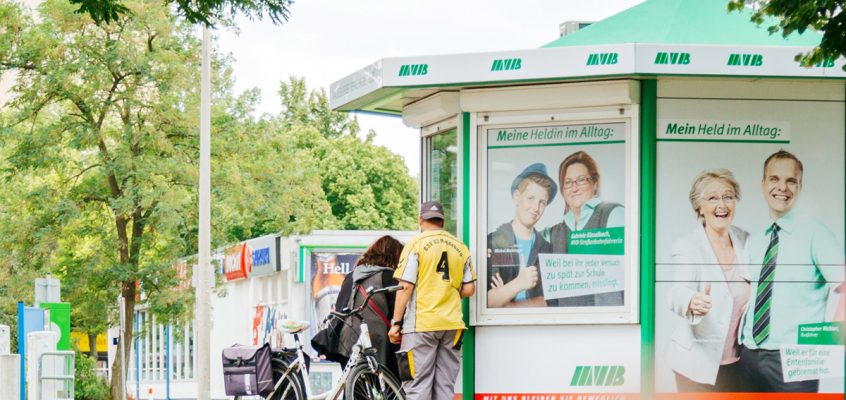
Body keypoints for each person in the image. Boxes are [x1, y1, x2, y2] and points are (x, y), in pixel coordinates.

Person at [738, 150, 845, 392]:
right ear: (763, 184)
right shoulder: (756, 239)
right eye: (774, 179)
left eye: (791, 181)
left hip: (795, 358)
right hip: (750, 356)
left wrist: (832, 341)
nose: (782, 187)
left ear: (800, 187)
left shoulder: (817, 233)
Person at [665, 169, 751, 392]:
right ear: (699, 208)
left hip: (738, 362)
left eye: (728, 196)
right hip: (696, 364)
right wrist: (691, 300)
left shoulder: (745, 240)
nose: (721, 205)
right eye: (712, 198)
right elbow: (676, 292)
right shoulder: (687, 246)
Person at [388, 201, 476, 400]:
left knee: (417, 387)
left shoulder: (415, 244)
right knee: (445, 387)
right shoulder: (461, 247)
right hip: (452, 326)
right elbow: (470, 289)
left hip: (421, 325)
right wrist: (448, 294)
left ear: (421, 220)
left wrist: (396, 323)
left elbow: (406, 286)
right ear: (442, 221)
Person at [543, 150, 625, 306]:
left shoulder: (613, 214)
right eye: (568, 182)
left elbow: (630, 272)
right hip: (565, 324)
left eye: (581, 180)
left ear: (594, 184)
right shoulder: (554, 232)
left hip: (608, 324)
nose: (574, 188)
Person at [329, 235, 404, 377]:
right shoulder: (389, 276)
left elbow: (340, 307)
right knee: (389, 387)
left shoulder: (351, 276)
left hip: (346, 340)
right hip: (377, 339)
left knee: (354, 386)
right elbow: (398, 310)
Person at [487, 163, 557, 308]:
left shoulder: (546, 249)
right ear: (517, 197)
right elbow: (487, 301)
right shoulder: (494, 243)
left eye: (542, 202)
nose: (536, 208)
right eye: (531, 198)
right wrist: (519, 284)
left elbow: (548, 303)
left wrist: (507, 302)